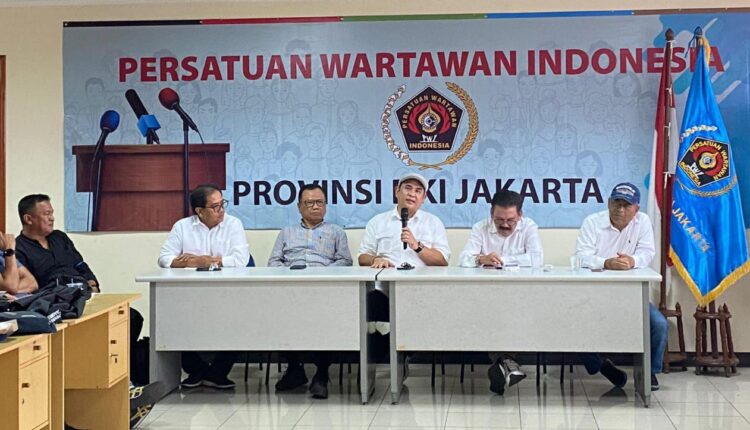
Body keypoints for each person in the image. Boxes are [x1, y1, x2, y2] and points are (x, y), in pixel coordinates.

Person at [14, 194, 160, 428]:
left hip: (83, 296)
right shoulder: (18, 249)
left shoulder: (60, 238)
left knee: (131, 317)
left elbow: (80, 264)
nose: (52, 218)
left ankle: (127, 379)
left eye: (52, 213)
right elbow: (28, 287)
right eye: (46, 214)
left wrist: (92, 282)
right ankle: (126, 391)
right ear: (28, 218)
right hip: (56, 304)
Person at [575, 182, 667, 391]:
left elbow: (647, 253)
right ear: (609, 203)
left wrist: (632, 261)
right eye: (617, 203)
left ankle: (649, 372)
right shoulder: (592, 222)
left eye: (627, 205)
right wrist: (606, 263)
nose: (621, 209)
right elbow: (580, 257)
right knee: (572, 323)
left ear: (636, 209)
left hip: (630, 296)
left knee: (659, 325)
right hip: (594, 295)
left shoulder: (643, 222)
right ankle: (601, 365)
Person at [158, 184, 250, 389]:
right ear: (200, 211)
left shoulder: (233, 224)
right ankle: (196, 371)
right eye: (216, 207)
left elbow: (241, 260)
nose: (222, 210)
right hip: (190, 294)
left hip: (228, 293)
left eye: (223, 204)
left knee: (241, 320)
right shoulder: (182, 227)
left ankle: (218, 372)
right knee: (173, 318)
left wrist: (205, 261)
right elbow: (164, 258)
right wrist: (196, 262)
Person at [268, 183, 353, 399]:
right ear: (299, 207)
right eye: (309, 203)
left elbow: (345, 261)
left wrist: (323, 274)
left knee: (327, 318)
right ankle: (294, 369)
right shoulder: (286, 232)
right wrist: (288, 275)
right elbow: (274, 262)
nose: (315, 207)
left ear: (326, 205)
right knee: (279, 314)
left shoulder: (336, 232)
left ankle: (322, 374)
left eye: (319, 202)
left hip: (324, 289)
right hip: (291, 289)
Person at [458, 190, 543, 395]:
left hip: (520, 295)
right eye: (499, 220)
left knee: (515, 314)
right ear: (491, 214)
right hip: (486, 296)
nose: (505, 225)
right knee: (494, 313)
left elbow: (537, 259)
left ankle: (501, 363)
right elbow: (463, 259)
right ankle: (507, 363)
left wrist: (502, 260)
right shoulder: (480, 228)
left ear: (520, 215)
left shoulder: (529, 227)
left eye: (510, 220)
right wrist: (480, 259)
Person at [358, 173, 450, 269]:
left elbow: (442, 262)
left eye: (418, 191)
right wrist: (375, 259)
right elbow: (362, 258)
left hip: (422, 277)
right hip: (388, 276)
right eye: (408, 188)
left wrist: (417, 246)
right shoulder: (377, 221)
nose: (412, 194)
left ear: (423, 198)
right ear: (397, 191)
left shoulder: (434, 222)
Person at [0, 232, 38, 298]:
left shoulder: (2, 253)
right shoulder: (8, 252)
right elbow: (11, 286)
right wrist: (9, 249)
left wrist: (8, 292)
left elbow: (32, 283)